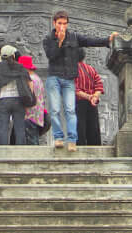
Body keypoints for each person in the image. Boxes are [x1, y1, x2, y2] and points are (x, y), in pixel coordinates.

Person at [42, 10, 117, 152]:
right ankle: (62, 139)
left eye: (65, 23)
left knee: (77, 120)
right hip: (61, 80)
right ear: (54, 23)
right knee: (57, 110)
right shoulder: (48, 39)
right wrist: (60, 41)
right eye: (59, 23)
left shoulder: (74, 40)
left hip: (80, 96)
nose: (62, 26)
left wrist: (108, 40)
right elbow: (51, 55)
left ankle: (74, 142)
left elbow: (90, 41)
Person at [0, 45, 33, 147]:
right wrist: (28, 99)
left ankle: (3, 152)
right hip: (18, 100)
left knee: (3, 127)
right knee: (19, 127)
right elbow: (30, 83)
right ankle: (20, 152)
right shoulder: (20, 67)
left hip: (3, 100)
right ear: (13, 55)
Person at [75, 48, 105, 146]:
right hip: (92, 103)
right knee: (93, 129)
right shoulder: (91, 69)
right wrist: (94, 97)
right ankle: (95, 151)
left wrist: (88, 97)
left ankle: (81, 153)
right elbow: (99, 85)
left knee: (80, 129)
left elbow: (74, 90)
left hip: (79, 103)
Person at [19, 55, 48, 145]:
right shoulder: (37, 78)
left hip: (29, 115)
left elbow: (26, 97)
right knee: (34, 140)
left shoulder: (28, 80)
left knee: (30, 143)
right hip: (38, 115)